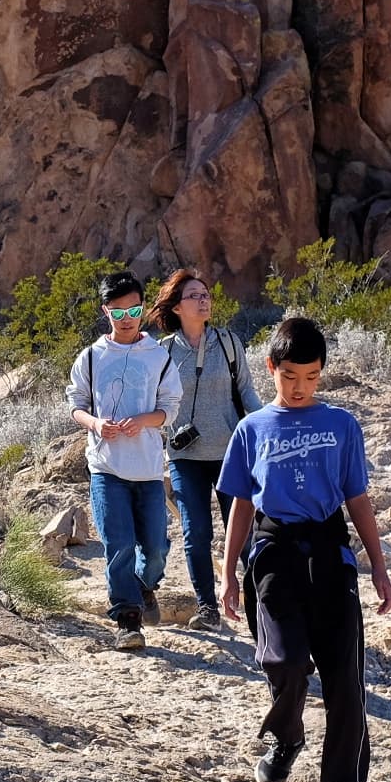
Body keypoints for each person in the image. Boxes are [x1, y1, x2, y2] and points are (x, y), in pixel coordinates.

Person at [217, 316, 391, 782]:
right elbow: (241, 507)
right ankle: (287, 736)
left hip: (330, 552)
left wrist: (378, 565)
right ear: (271, 368)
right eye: (291, 376)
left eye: (312, 377)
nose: (300, 388)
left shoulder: (341, 424)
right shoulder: (251, 430)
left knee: (345, 678)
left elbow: (357, 497)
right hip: (272, 555)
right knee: (286, 661)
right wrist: (227, 573)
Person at [66, 270, 183, 653]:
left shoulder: (158, 356)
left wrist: (144, 421)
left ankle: (145, 585)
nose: (127, 318)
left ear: (143, 309)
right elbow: (76, 405)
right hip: (106, 468)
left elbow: (170, 407)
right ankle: (127, 620)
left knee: (156, 549)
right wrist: (97, 424)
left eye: (133, 309)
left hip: (148, 469)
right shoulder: (91, 357)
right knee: (118, 545)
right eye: (118, 312)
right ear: (106, 312)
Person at [149, 268, 264, 632]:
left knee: (243, 534)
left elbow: (245, 390)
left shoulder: (228, 343)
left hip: (231, 454)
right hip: (185, 458)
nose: (203, 300)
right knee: (196, 532)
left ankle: (259, 608)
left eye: (206, 294)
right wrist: (163, 433)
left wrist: (264, 429)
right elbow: (153, 401)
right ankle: (207, 607)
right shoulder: (163, 352)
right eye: (194, 296)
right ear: (177, 308)